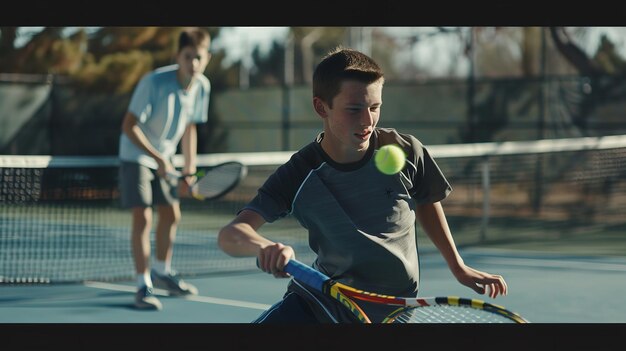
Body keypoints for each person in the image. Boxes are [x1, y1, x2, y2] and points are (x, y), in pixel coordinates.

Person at [217, 47, 508, 323]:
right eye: (354, 109)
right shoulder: (300, 172)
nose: (368, 120)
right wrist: (264, 247)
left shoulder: (406, 150)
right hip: (320, 304)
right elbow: (232, 234)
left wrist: (457, 265)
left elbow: (426, 200)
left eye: (375, 107)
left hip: (395, 309)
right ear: (321, 107)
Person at [118, 27, 212, 310]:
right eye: (187, 57)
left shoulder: (202, 87)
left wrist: (190, 171)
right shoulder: (153, 82)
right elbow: (129, 125)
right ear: (177, 56)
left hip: (166, 159)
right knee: (143, 218)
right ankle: (142, 284)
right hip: (137, 155)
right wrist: (159, 159)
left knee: (171, 214)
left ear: (207, 58)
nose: (193, 64)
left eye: (199, 57)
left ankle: (161, 272)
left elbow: (189, 129)